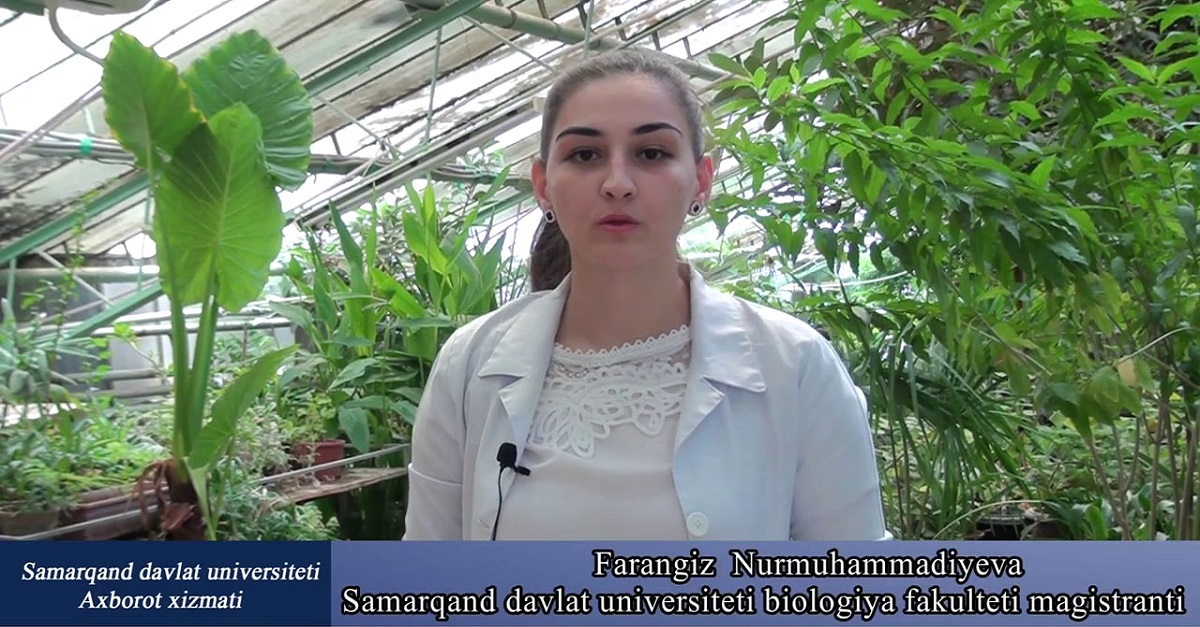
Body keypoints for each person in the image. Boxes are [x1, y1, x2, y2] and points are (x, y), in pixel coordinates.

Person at [402, 48, 891, 541]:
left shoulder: (795, 365)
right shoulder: (469, 365)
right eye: (585, 155)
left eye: (652, 153)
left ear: (701, 180)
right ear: (543, 185)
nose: (618, 184)